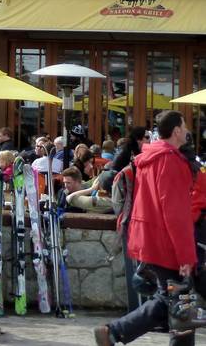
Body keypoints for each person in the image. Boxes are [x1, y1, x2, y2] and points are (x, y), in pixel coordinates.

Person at [95, 111, 197, 346]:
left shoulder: (151, 157)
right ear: (176, 131)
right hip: (166, 244)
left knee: (172, 301)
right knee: (179, 302)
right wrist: (185, 255)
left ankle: (113, 333)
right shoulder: (171, 161)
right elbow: (176, 214)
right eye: (184, 126)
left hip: (150, 238)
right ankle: (113, 332)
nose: (187, 130)